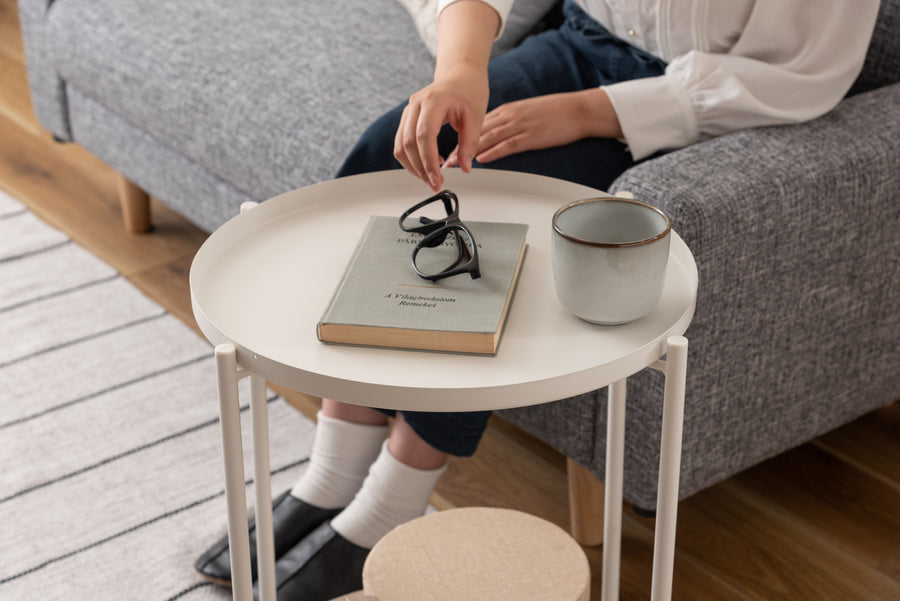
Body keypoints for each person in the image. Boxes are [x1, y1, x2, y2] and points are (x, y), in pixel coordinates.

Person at [196, 1, 879, 599]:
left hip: (694, 102)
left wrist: (587, 112)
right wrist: (462, 71)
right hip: (578, 41)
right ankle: (332, 472)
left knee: (490, 240)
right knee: (394, 161)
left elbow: (803, 69)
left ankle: (388, 505)